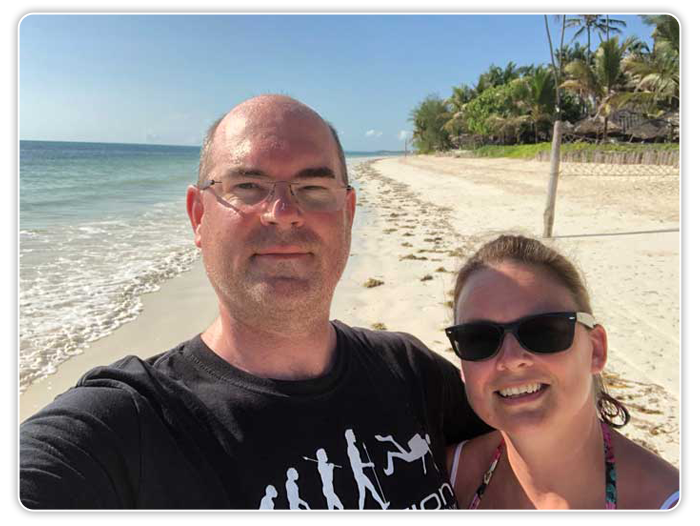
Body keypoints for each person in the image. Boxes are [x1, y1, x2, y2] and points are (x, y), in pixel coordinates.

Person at [19, 94, 490, 510]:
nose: (283, 214)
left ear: (348, 214)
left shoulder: (409, 371)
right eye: (247, 187)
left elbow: (522, 451)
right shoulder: (129, 427)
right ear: (198, 216)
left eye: (312, 188)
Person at [444, 234, 679, 510]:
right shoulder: (443, 478)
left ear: (596, 350)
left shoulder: (667, 502)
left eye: (543, 331)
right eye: (478, 339)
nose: (512, 359)